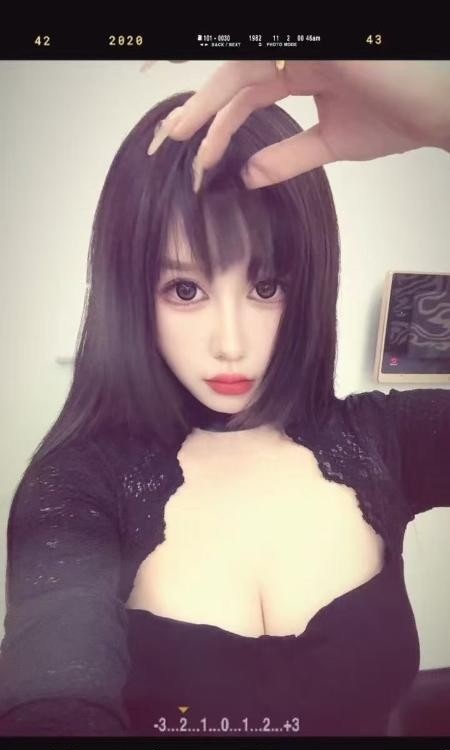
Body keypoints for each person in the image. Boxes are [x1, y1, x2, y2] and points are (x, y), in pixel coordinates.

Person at [0, 59, 448, 738]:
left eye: (266, 286)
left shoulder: (382, 439)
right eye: (186, 290)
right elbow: (52, 687)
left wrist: (443, 114)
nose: (231, 344)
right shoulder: (76, 487)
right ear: (132, 293)